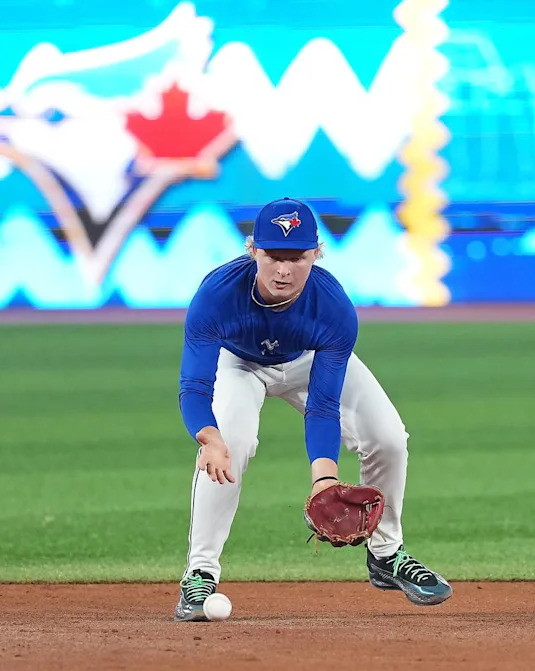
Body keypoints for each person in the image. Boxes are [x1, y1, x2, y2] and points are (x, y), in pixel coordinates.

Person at [174, 197, 451, 621]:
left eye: (298, 257)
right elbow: (194, 384)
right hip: (240, 362)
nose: (284, 270)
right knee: (231, 444)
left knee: (389, 438)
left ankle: (386, 555)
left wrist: (325, 478)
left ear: (316, 254)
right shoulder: (217, 296)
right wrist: (208, 437)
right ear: (253, 252)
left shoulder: (332, 308)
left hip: (308, 358)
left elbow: (322, 405)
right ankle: (200, 574)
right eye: (273, 256)